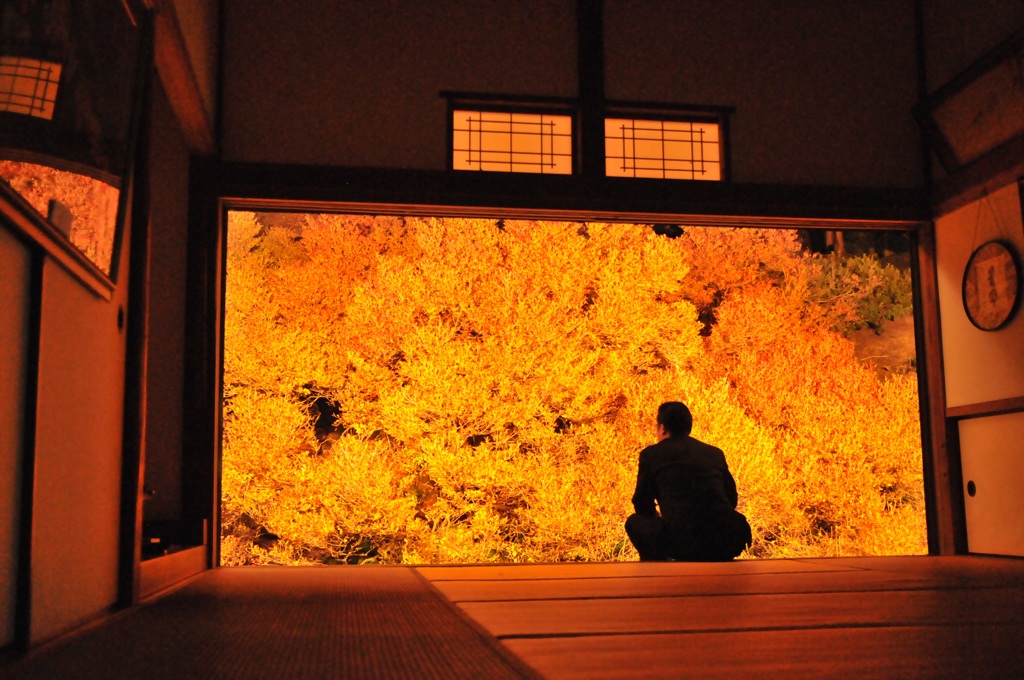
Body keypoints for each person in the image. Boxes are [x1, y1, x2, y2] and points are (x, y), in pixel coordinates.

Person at [625, 401, 751, 561]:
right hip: (724, 541)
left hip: (680, 544)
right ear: (688, 427)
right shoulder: (714, 453)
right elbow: (731, 500)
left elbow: (642, 504)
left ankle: (657, 565)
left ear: (662, 428)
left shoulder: (652, 454)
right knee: (737, 520)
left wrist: (661, 519)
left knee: (635, 522)